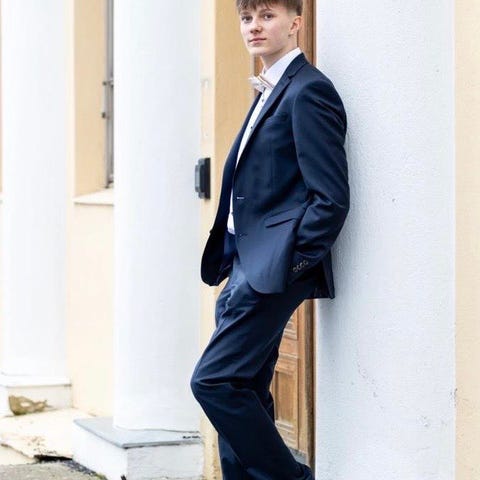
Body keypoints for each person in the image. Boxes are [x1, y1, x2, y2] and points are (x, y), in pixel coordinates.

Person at [190, 0, 349, 478]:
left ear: (296, 23)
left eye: (267, 16)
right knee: (245, 388)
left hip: (269, 269)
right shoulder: (270, 90)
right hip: (242, 264)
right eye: (246, 18)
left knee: (214, 382)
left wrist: (290, 264)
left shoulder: (308, 91)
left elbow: (330, 198)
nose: (254, 27)